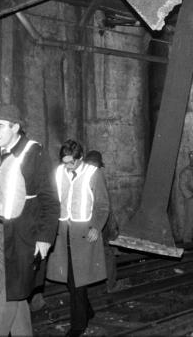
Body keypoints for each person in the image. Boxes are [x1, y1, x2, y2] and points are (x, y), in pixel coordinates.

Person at [0, 103, 60, 337]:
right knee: (14, 291)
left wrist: (45, 238)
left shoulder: (34, 153)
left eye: (0, 127)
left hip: (23, 232)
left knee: (9, 290)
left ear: (16, 127)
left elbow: (51, 201)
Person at [47, 140, 110, 337]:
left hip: (84, 235)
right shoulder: (58, 173)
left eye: (71, 163)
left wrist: (97, 227)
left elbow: (103, 205)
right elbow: (52, 201)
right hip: (62, 234)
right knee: (69, 279)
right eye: (64, 162)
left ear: (80, 159)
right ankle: (87, 310)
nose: (67, 166)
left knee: (77, 281)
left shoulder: (93, 173)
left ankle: (78, 326)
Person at [84, 150, 119, 293]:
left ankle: (90, 285)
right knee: (107, 254)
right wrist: (112, 227)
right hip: (99, 223)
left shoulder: (82, 175)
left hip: (85, 223)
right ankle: (111, 285)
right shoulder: (97, 175)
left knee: (89, 254)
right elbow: (105, 206)